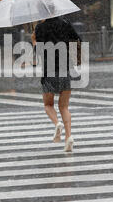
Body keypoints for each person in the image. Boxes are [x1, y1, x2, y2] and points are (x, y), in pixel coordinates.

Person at [32, 16, 81, 152]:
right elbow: (77, 40)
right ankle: (68, 137)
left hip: (49, 71)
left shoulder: (40, 28)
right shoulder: (65, 23)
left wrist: (34, 40)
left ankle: (57, 123)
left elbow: (39, 52)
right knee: (64, 107)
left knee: (48, 105)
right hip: (65, 69)